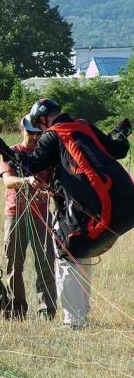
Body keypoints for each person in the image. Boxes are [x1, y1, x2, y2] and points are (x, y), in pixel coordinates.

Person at [23, 98, 134, 329]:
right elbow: (117, 149)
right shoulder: (83, 126)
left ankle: (73, 321)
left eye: (40, 125)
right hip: (123, 204)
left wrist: (8, 154)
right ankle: (79, 316)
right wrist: (120, 133)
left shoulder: (52, 136)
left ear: (43, 119)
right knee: (80, 254)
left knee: (67, 254)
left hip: (89, 210)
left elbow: (32, 165)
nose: (41, 130)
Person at [0, 115, 57, 320]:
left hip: (42, 214)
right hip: (16, 214)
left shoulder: (46, 154)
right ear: (22, 130)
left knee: (46, 263)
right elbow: (7, 181)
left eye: (39, 133)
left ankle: (47, 311)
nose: (35, 137)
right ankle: (16, 310)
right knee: (13, 264)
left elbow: (53, 183)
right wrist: (27, 180)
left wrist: (47, 192)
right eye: (31, 133)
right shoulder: (11, 152)